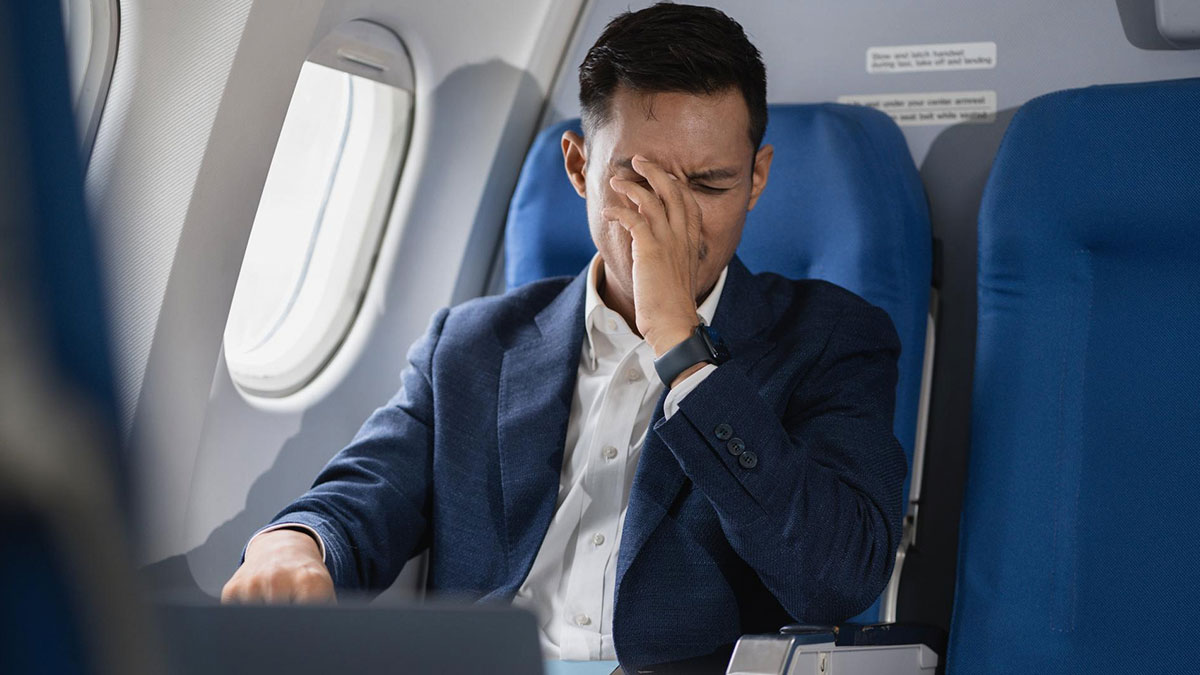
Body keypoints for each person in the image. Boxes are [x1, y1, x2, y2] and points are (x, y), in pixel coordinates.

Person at [222, 3, 906, 670]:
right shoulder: (472, 343)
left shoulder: (831, 340)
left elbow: (838, 577)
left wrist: (683, 345)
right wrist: (293, 542)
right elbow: (362, 494)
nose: (674, 222)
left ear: (755, 179)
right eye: (639, 182)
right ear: (579, 168)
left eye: (709, 184)